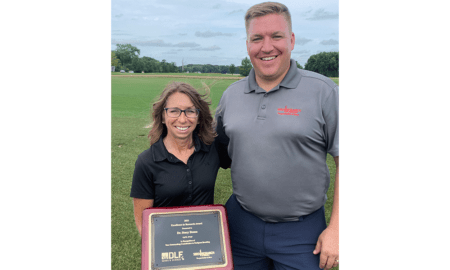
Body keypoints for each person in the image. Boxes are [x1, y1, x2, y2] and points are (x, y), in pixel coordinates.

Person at [215, 2, 339, 270]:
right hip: (240, 224)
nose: (266, 46)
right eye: (257, 38)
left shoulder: (323, 91)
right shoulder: (231, 96)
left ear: (291, 40)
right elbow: (210, 150)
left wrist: (338, 228)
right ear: (247, 43)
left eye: (277, 36)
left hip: (302, 232)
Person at [130, 82, 230, 236]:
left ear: (198, 116)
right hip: (167, 247)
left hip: (206, 243)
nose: (183, 119)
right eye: (174, 111)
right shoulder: (147, 161)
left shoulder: (212, 149)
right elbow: (143, 222)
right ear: (163, 116)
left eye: (190, 111)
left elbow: (243, 161)